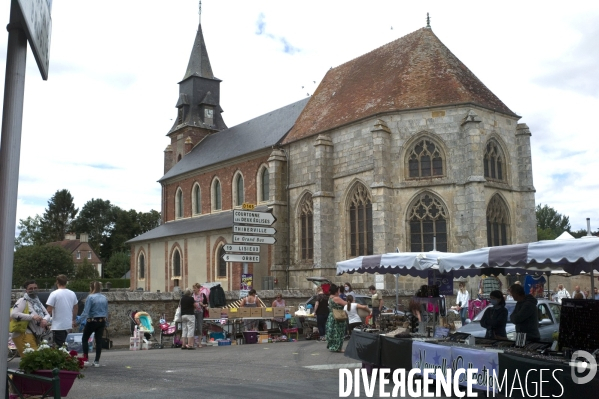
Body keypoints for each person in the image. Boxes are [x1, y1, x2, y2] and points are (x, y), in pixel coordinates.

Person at [10, 280, 51, 356]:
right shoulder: (23, 300)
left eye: (35, 288)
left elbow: (47, 314)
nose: (33, 290)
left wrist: (45, 320)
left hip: (36, 334)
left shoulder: (37, 301)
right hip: (24, 334)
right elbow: (14, 314)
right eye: (30, 288)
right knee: (32, 358)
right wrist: (32, 317)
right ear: (26, 290)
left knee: (34, 359)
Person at [80, 281, 108, 367]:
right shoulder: (104, 297)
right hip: (102, 320)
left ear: (91, 288)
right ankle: (96, 361)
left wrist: (78, 321)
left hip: (92, 320)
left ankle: (86, 359)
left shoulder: (90, 297)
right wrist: (107, 323)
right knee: (98, 340)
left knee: (85, 338)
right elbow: (107, 311)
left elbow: (86, 311)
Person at [46, 274, 78, 348]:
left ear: (57, 282)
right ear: (66, 282)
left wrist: (46, 320)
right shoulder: (72, 293)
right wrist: (73, 319)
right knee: (65, 344)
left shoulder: (54, 294)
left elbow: (49, 310)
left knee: (60, 346)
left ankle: (66, 359)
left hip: (58, 325)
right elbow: (76, 308)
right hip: (68, 324)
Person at [325, 284, 347, 353]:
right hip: (338, 315)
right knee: (339, 332)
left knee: (332, 332)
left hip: (332, 316)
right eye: (338, 291)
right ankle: (338, 347)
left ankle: (333, 346)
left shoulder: (330, 297)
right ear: (336, 292)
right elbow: (345, 303)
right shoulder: (336, 298)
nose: (339, 292)